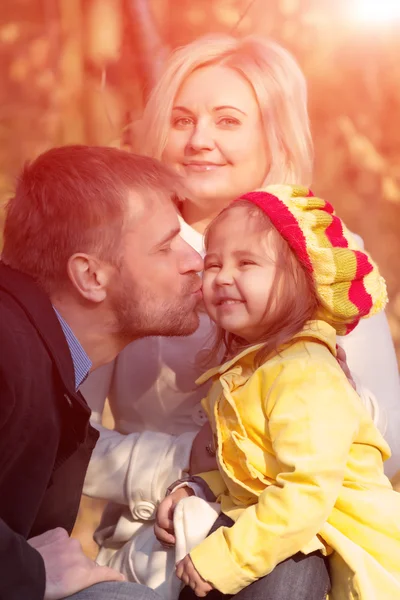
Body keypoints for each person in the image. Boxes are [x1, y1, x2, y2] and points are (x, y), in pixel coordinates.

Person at [81, 34, 400, 598]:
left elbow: (388, 434)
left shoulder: (326, 256)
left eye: (228, 121)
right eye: (182, 120)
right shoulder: (118, 250)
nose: (199, 139)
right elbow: (68, 439)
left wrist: (269, 439)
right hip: (154, 538)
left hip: (301, 535)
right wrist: (176, 467)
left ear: (273, 134)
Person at [157, 185, 400, 600]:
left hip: (342, 545)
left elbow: (305, 491)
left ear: (302, 279)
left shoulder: (304, 372)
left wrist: (223, 559)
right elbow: (257, 473)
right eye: (212, 264)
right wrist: (200, 486)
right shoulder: (250, 371)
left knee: (279, 569)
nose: (223, 276)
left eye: (246, 262)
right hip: (293, 529)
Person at [0, 144, 204, 600]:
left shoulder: (45, 361)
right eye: (165, 246)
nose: (194, 260)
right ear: (91, 277)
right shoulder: (7, 346)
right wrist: (25, 571)